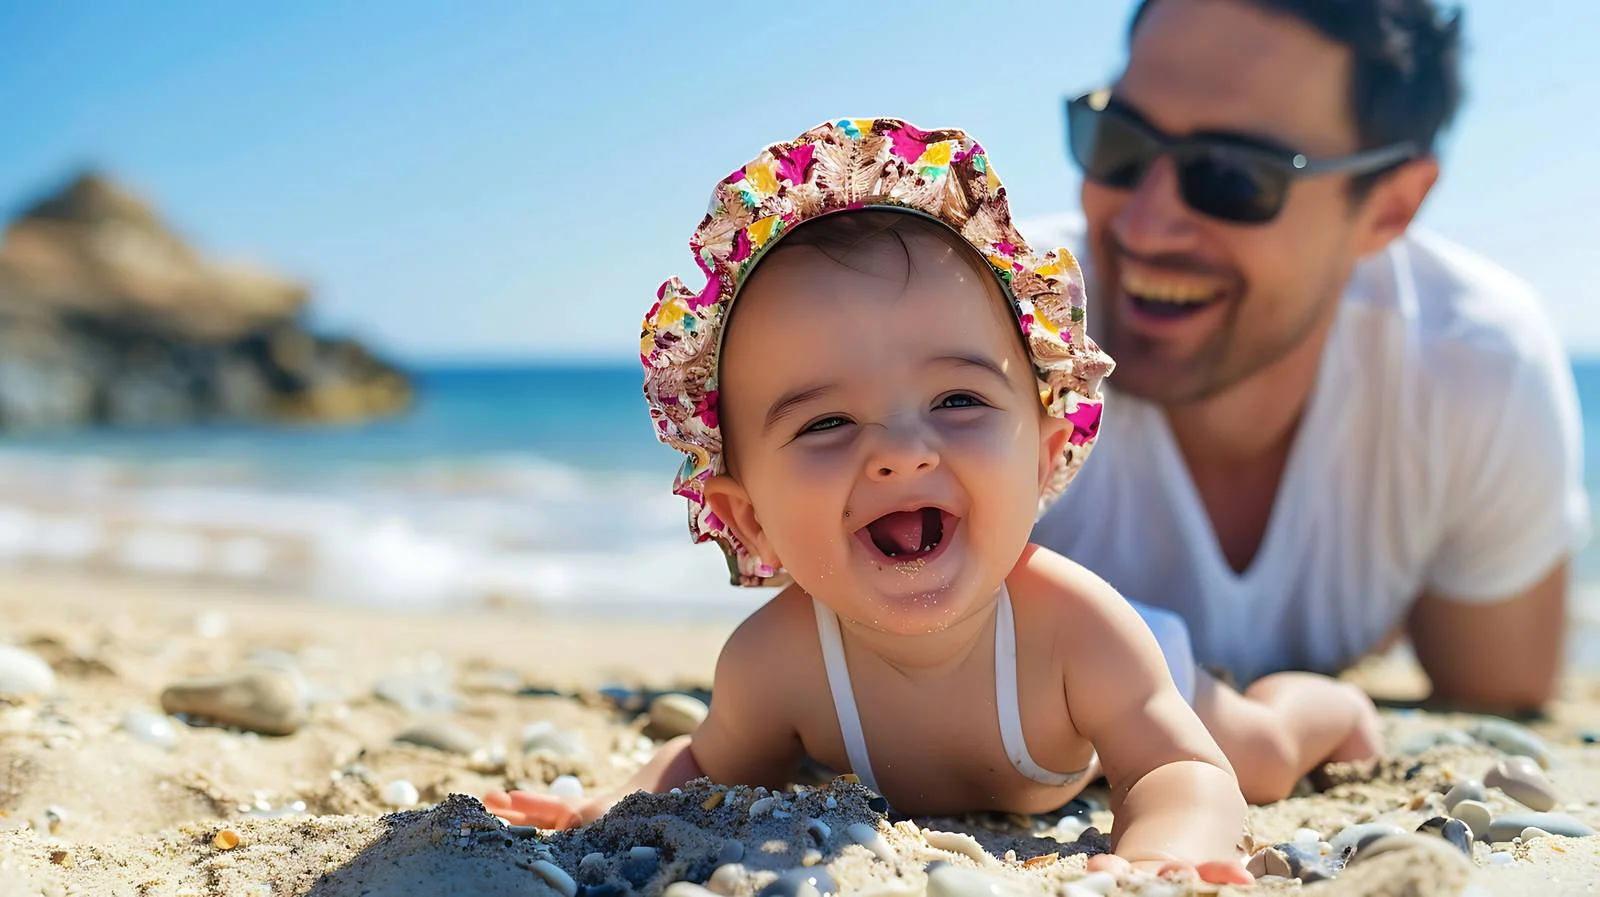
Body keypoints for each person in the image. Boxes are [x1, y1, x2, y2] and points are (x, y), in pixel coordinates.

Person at [484, 117, 1382, 881]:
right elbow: (707, 762)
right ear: (748, 514)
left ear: (1047, 450)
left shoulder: (1079, 627)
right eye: (826, 421)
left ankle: (1320, 706)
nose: (899, 452)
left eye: (958, 400)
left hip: (1152, 674)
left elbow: (1180, 768)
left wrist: (1159, 857)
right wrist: (615, 806)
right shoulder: (774, 662)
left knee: (1255, 753)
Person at [1027, 0, 1589, 716]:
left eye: (1233, 173)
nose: (1144, 223)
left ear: (1390, 207)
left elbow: (1496, 701)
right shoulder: (992, 332)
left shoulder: (1472, 365)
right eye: (1118, 140)